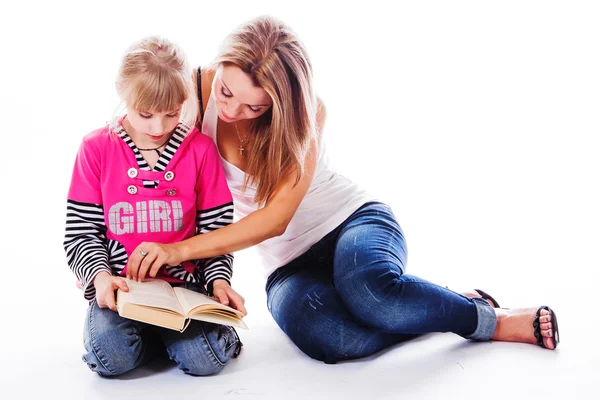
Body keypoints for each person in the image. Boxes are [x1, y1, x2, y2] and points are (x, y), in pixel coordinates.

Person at [126, 16, 559, 364]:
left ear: (281, 102)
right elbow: (127, 130)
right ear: (218, 66)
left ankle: (486, 320)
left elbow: (276, 218)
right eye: (227, 92)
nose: (233, 110)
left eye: (255, 106)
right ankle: (429, 306)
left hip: (350, 222)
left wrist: (181, 251)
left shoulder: (308, 113)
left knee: (369, 288)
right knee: (332, 340)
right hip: (289, 266)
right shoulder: (190, 94)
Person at [63, 36, 245, 377]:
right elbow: (81, 232)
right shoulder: (96, 149)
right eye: (146, 114)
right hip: (122, 291)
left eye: (172, 113)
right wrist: (101, 279)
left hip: (183, 290)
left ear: (184, 102)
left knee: (205, 361)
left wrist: (219, 282)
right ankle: (159, 341)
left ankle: (185, 338)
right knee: (111, 358)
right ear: (123, 93)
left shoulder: (200, 150)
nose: (158, 127)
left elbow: (216, 231)